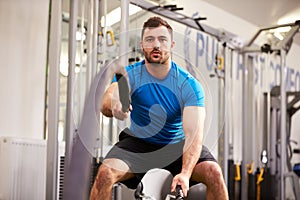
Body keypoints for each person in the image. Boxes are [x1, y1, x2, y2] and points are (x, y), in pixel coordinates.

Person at [90, 16, 229, 200]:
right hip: (139, 143)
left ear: (171, 45)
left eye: (162, 40)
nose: (156, 45)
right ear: (142, 45)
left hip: (177, 146)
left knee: (214, 173)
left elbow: (194, 134)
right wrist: (113, 103)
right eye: (150, 40)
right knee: (104, 174)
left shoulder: (188, 85)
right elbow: (108, 97)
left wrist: (186, 174)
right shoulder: (132, 75)